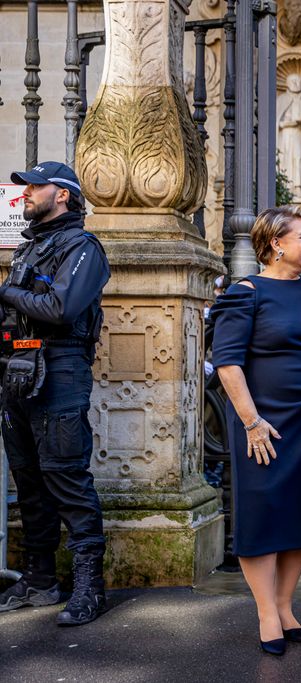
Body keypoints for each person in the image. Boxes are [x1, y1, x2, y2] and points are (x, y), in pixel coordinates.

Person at [210, 205, 301, 656]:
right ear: (276, 244)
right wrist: (251, 421)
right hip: (263, 420)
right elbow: (228, 363)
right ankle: (266, 611)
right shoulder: (245, 293)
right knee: (264, 511)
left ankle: (286, 605)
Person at [0, 161, 110, 626]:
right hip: (18, 368)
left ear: (62, 194)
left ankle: (90, 587)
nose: (24, 193)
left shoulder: (83, 246)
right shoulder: (32, 247)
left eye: (34, 186)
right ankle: (40, 578)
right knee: (28, 480)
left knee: (65, 475)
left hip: (60, 368)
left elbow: (61, 308)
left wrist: (4, 293)